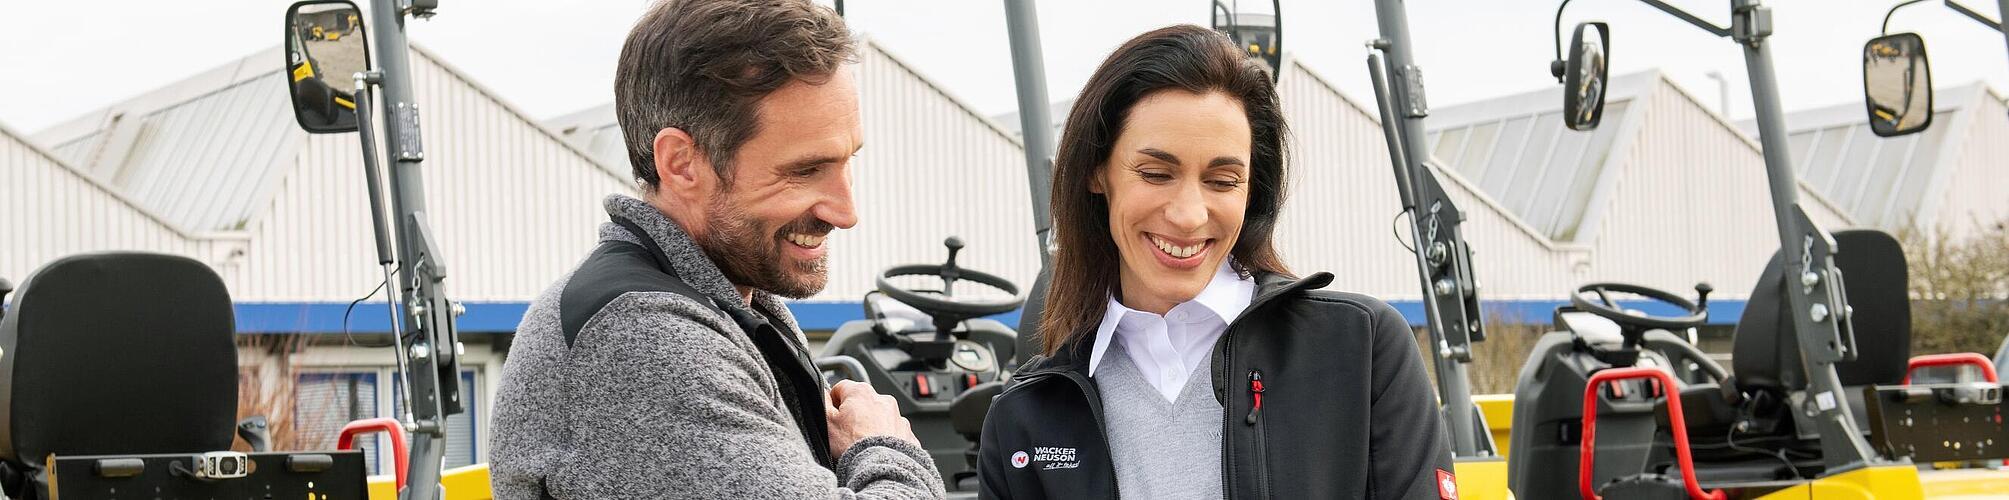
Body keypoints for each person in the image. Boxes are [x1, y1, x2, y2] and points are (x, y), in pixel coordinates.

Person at [976, 25, 1455, 499]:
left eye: (1223, 181)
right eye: (1156, 173)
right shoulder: (1024, 416)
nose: (1188, 215)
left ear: (1253, 192)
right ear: (1097, 172)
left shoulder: (1362, 350)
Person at [488, 0, 944, 498]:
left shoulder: (727, 302)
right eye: (805, 170)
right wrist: (883, 446)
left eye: (847, 162)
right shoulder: (642, 339)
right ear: (682, 163)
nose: (846, 211)